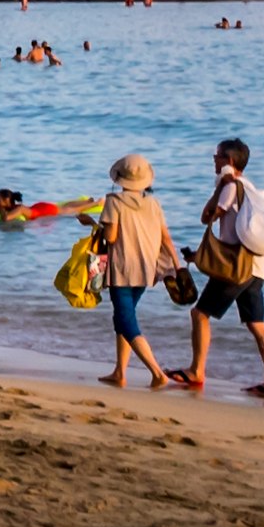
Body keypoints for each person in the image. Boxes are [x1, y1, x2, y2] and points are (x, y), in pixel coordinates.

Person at [184, 136, 264, 399]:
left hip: (235, 268)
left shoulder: (231, 187)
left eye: (217, 156)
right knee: (257, 324)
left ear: (228, 161)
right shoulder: (254, 190)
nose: (213, 161)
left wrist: (220, 186)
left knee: (200, 314)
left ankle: (197, 371)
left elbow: (207, 217)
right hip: (256, 267)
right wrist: (199, 256)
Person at [91, 153, 183, 389]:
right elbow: (166, 237)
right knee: (123, 316)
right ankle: (120, 372)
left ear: (120, 178)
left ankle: (157, 372)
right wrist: (177, 266)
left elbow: (110, 237)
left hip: (121, 268)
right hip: (146, 268)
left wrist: (92, 224)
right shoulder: (153, 203)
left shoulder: (114, 202)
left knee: (127, 321)